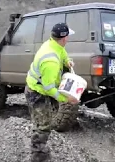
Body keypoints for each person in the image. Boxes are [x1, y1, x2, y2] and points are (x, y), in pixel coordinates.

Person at [24, 22, 79, 162]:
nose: (68, 39)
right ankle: (38, 156)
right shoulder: (51, 61)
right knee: (42, 126)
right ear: (64, 38)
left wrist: (67, 61)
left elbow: (62, 53)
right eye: (68, 36)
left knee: (47, 119)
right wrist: (66, 100)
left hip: (43, 87)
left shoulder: (53, 44)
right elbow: (49, 88)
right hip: (36, 92)